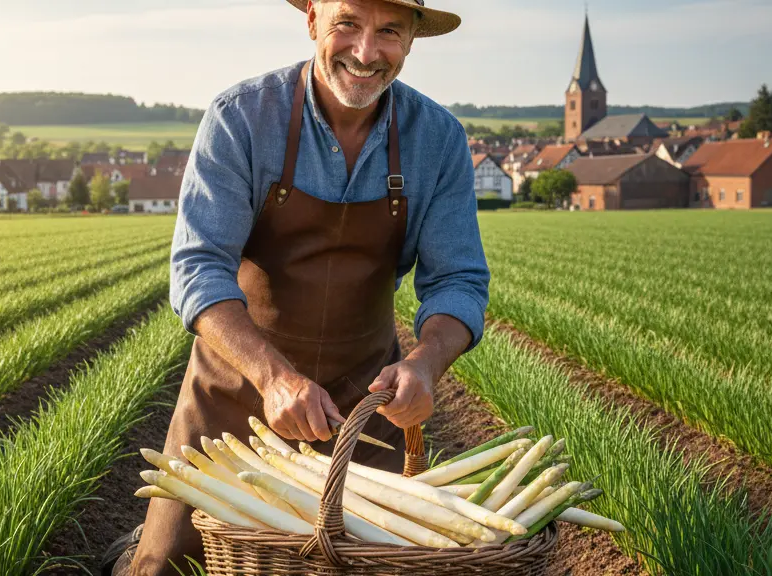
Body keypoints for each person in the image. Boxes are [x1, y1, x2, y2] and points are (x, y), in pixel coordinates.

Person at [104, 0, 489, 573]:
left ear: (411, 41)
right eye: (347, 24)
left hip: (362, 416)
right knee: (168, 565)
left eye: (388, 32)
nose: (365, 53)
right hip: (234, 406)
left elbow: (457, 277)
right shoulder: (241, 117)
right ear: (312, 20)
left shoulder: (438, 139)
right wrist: (272, 376)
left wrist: (426, 364)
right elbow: (199, 267)